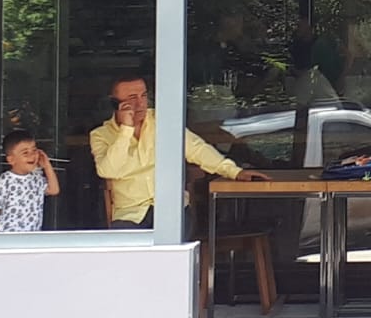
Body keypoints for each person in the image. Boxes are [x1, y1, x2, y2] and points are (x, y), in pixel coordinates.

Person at [90, 74, 268, 228]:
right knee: (127, 253)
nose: (140, 103)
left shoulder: (163, 120)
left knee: (172, 247)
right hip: (130, 215)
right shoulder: (100, 135)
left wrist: (235, 172)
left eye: (143, 95)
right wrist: (126, 130)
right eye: (131, 98)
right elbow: (108, 171)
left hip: (171, 209)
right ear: (115, 103)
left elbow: (197, 149)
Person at [0, 129, 60, 232]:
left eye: (34, 150)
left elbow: (54, 190)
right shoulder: (4, 182)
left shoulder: (36, 178)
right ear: (11, 160)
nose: (32, 155)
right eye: (25, 153)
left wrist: (47, 166)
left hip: (32, 235)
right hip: (9, 236)